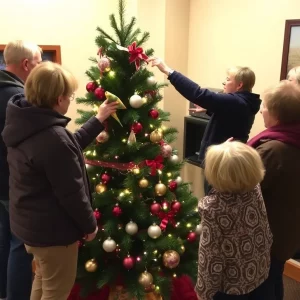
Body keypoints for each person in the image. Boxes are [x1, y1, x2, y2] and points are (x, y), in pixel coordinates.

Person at [1, 61, 118, 300]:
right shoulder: (53, 137)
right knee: (56, 291)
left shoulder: (24, 122)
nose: (70, 101)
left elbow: (68, 147)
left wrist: (98, 118)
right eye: (70, 96)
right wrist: (89, 226)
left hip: (31, 228)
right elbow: (71, 192)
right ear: (58, 99)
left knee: (43, 280)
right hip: (53, 234)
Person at [147, 58, 261, 195]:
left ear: (239, 85)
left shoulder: (236, 102)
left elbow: (198, 93)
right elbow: (231, 117)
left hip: (221, 164)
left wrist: (168, 71)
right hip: (225, 162)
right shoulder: (245, 103)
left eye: (228, 79)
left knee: (214, 200)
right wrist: (210, 109)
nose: (224, 82)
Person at [195, 141, 272, 300]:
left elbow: (210, 257)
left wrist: (203, 292)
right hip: (258, 267)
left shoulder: (212, 209)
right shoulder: (254, 188)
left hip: (232, 284)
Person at [247, 80, 300, 300]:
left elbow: (245, 187)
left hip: (268, 235)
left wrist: (229, 163)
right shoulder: (293, 139)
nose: (261, 110)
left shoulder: (272, 150)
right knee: (275, 276)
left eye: (265, 106)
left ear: (277, 113)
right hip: (288, 230)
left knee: (263, 283)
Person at [0, 40, 42, 300]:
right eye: (39, 63)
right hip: (13, 184)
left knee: (4, 239)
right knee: (21, 245)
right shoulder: (19, 99)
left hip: (1, 185)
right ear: (26, 64)